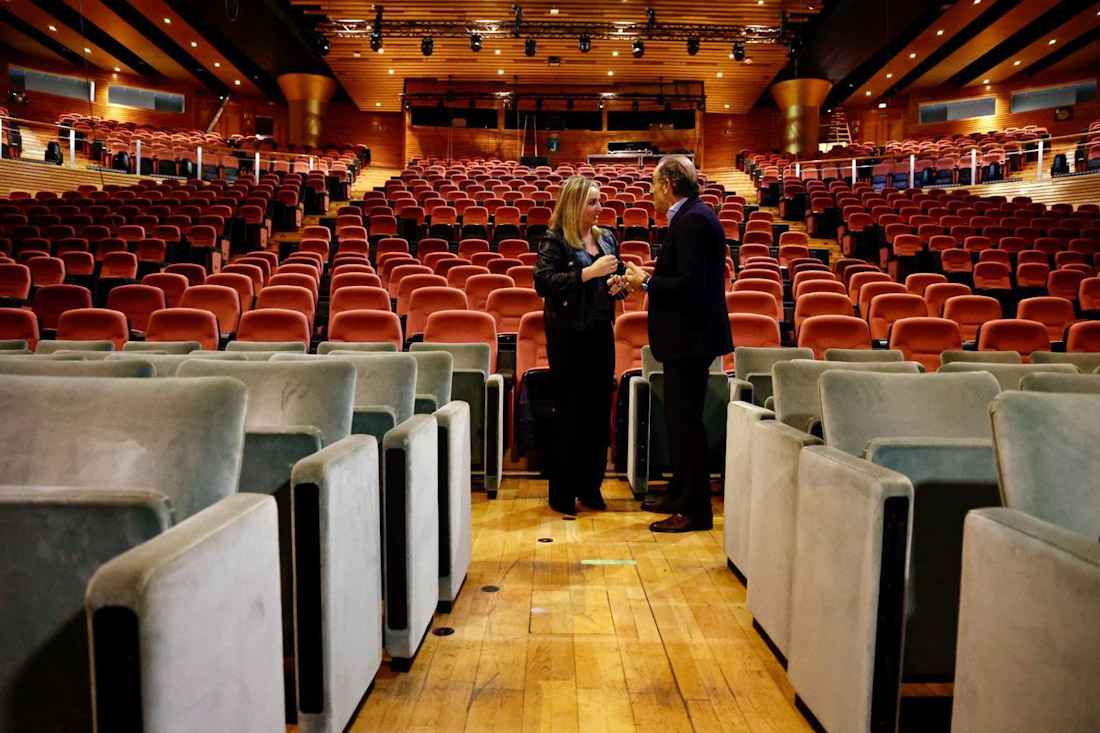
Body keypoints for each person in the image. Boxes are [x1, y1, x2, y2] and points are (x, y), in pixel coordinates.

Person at [620, 156, 732, 532]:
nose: (651, 192)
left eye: (653, 185)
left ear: (668, 185)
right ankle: (679, 494)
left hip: (690, 338)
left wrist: (646, 284)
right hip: (688, 339)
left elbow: (689, 288)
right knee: (679, 422)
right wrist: (649, 277)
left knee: (687, 426)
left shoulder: (694, 221)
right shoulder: (693, 217)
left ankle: (695, 510)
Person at [534, 176, 628, 515]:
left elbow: (618, 275)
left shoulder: (606, 238)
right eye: (592, 202)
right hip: (568, 335)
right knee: (569, 412)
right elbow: (543, 283)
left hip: (600, 331)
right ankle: (562, 492)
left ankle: (591, 487)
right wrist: (588, 274)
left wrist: (619, 284)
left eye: (599, 201)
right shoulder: (555, 239)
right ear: (574, 204)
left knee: (598, 412)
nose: (599, 208)